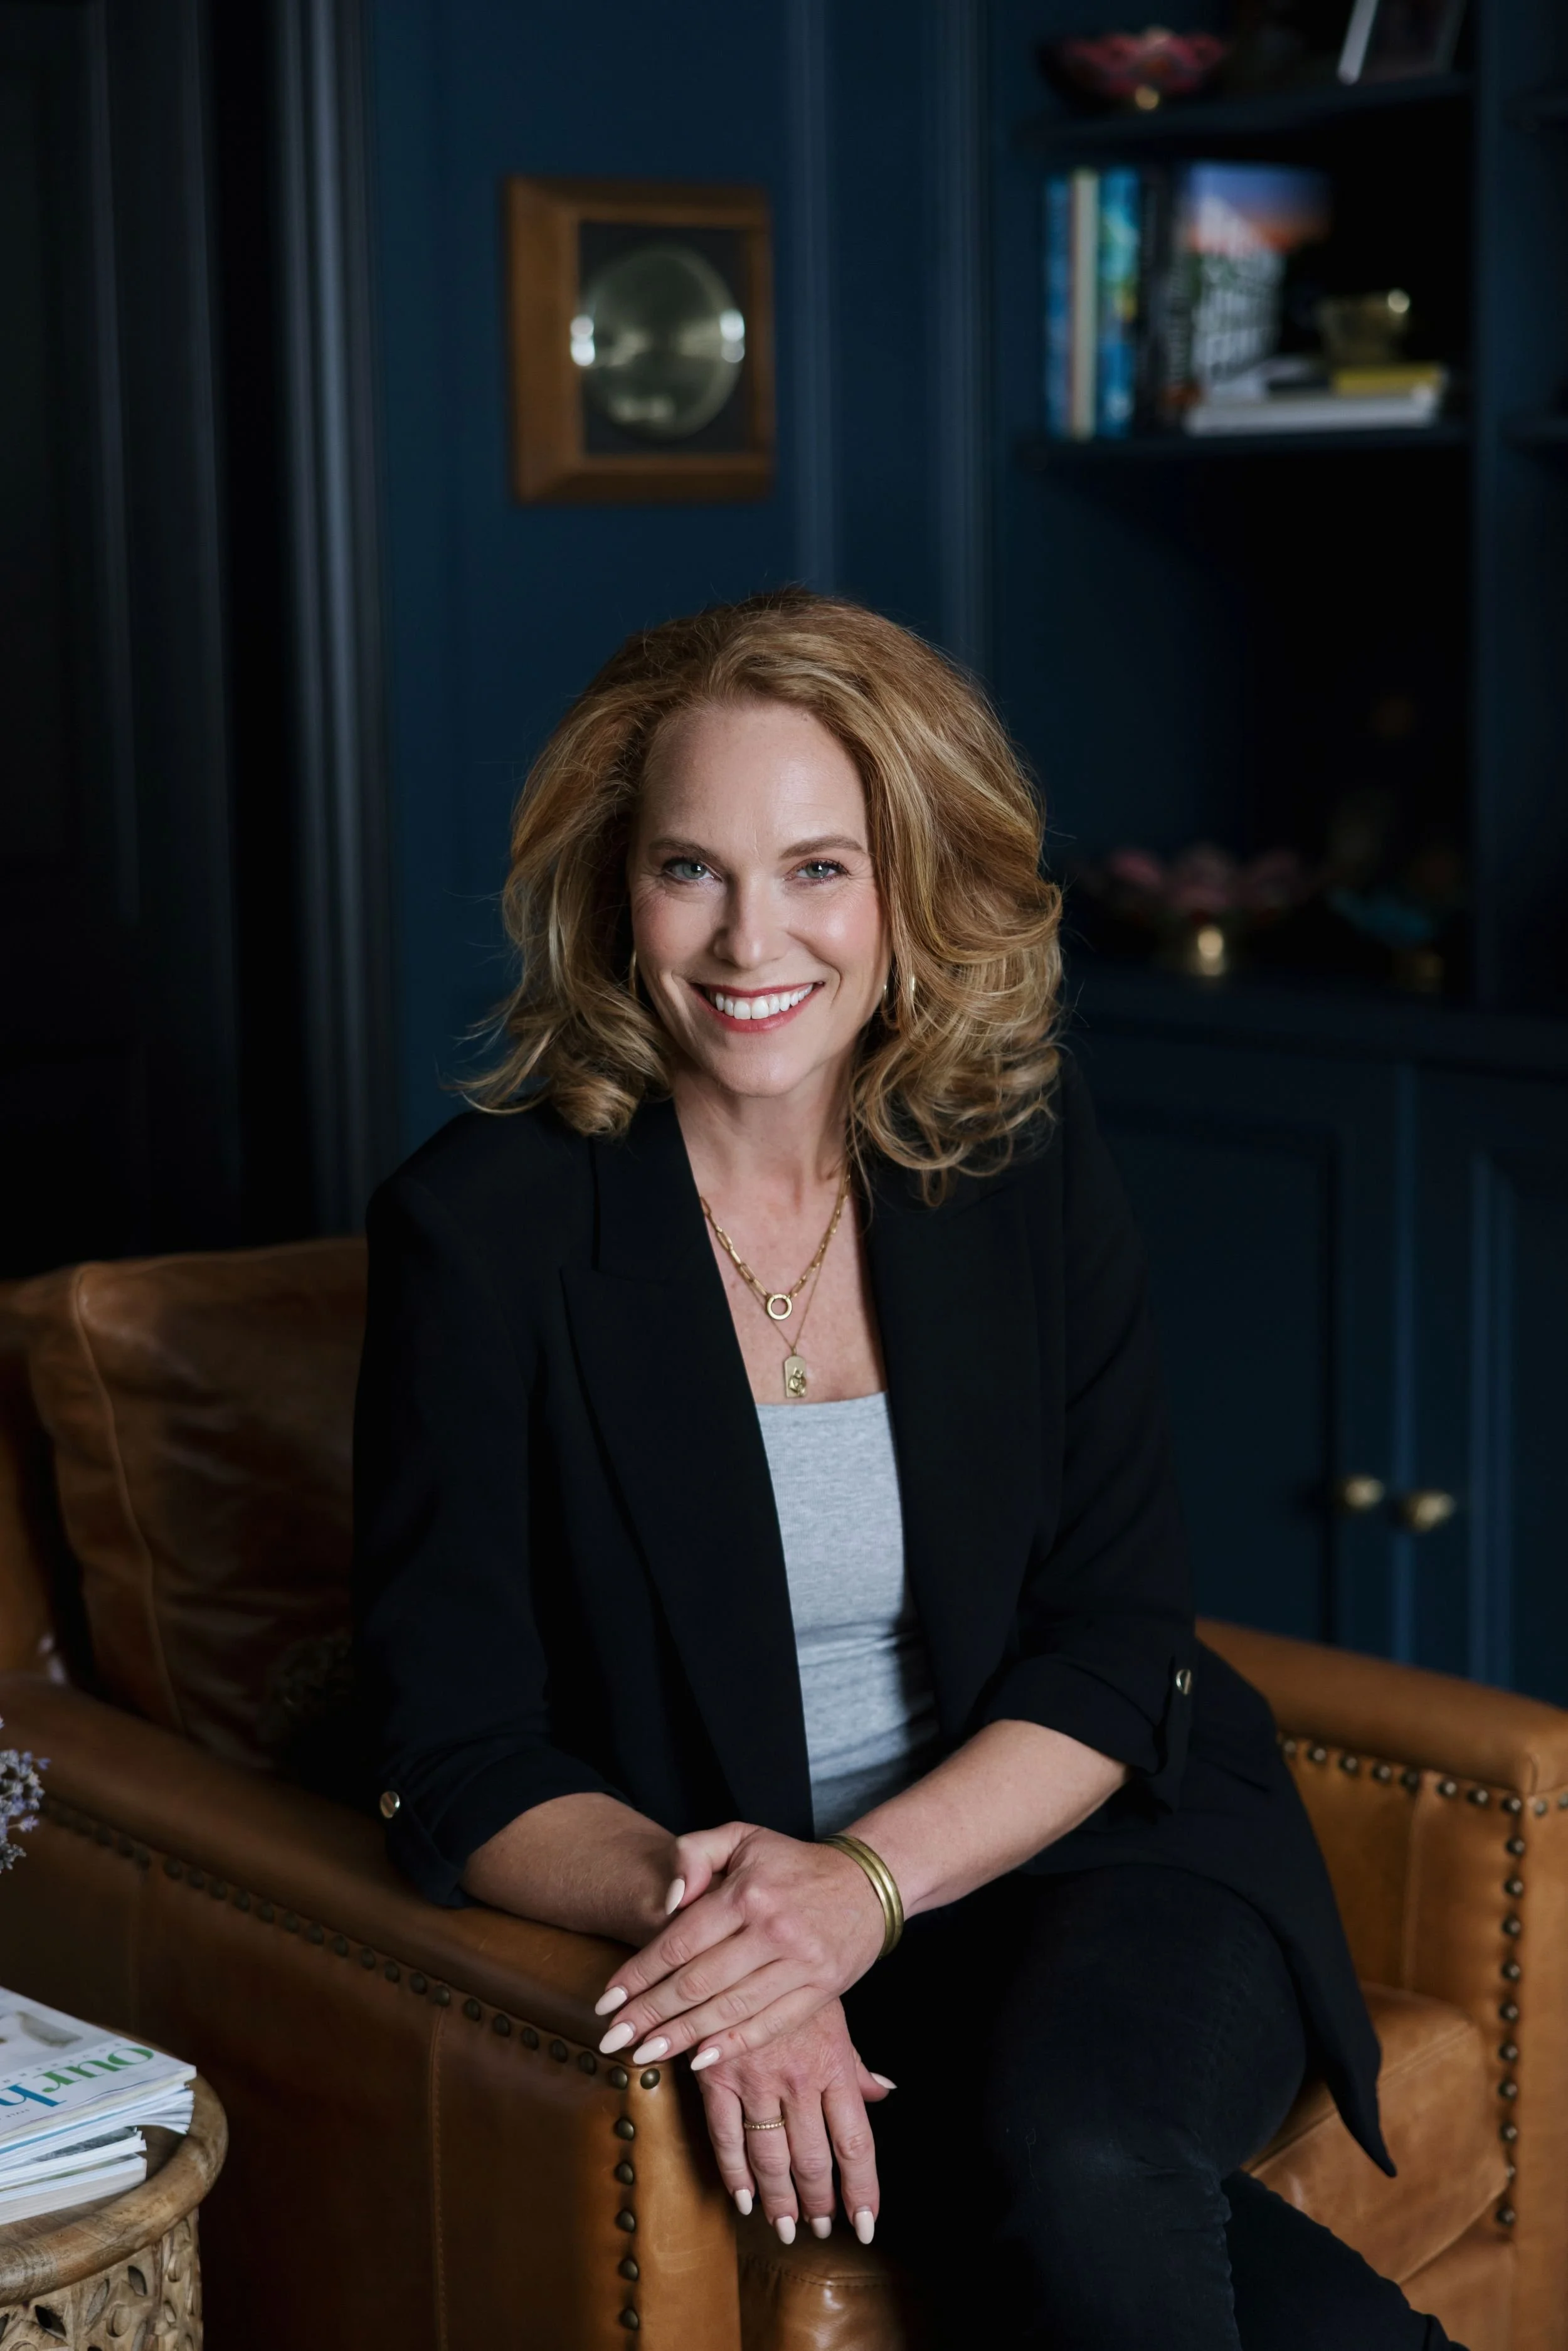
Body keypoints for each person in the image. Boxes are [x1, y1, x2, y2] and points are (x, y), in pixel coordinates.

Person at [354, 588, 1462, 2348]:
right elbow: (456, 1745)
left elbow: (1117, 1635)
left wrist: (861, 1886)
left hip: (1086, 1841)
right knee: (1207, 2265)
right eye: (691, 868)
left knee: (1090, 2155)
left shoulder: (1010, 1154)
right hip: (759, 1886)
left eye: (818, 868)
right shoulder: (480, 1234)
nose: (750, 939)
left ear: (909, 890)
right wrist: (744, 1929)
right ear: (613, 891)